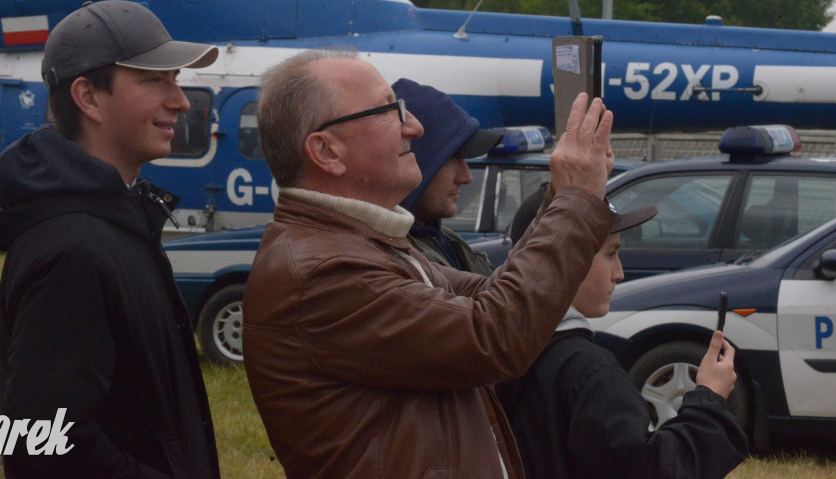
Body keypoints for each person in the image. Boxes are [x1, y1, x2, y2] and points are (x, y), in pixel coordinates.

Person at [242, 48, 616, 478]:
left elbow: (493, 295)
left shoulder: (363, 245)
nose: (415, 127)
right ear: (327, 151)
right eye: (390, 111)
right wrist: (575, 200)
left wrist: (566, 195)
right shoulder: (323, 273)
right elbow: (495, 334)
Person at [0, 0, 221, 478]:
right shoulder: (73, 251)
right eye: (155, 80)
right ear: (88, 97)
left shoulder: (119, 224)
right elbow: (44, 448)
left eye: (175, 79)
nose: (181, 100)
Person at [496, 187, 750, 478]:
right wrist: (710, 401)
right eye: (610, 254)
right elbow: (652, 470)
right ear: (567, 262)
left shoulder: (496, 349)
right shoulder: (588, 371)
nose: (620, 272)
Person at [392, 77, 502, 275]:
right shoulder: (403, 261)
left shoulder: (442, 238)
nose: (466, 177)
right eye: (451, 159)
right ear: (417, 159)